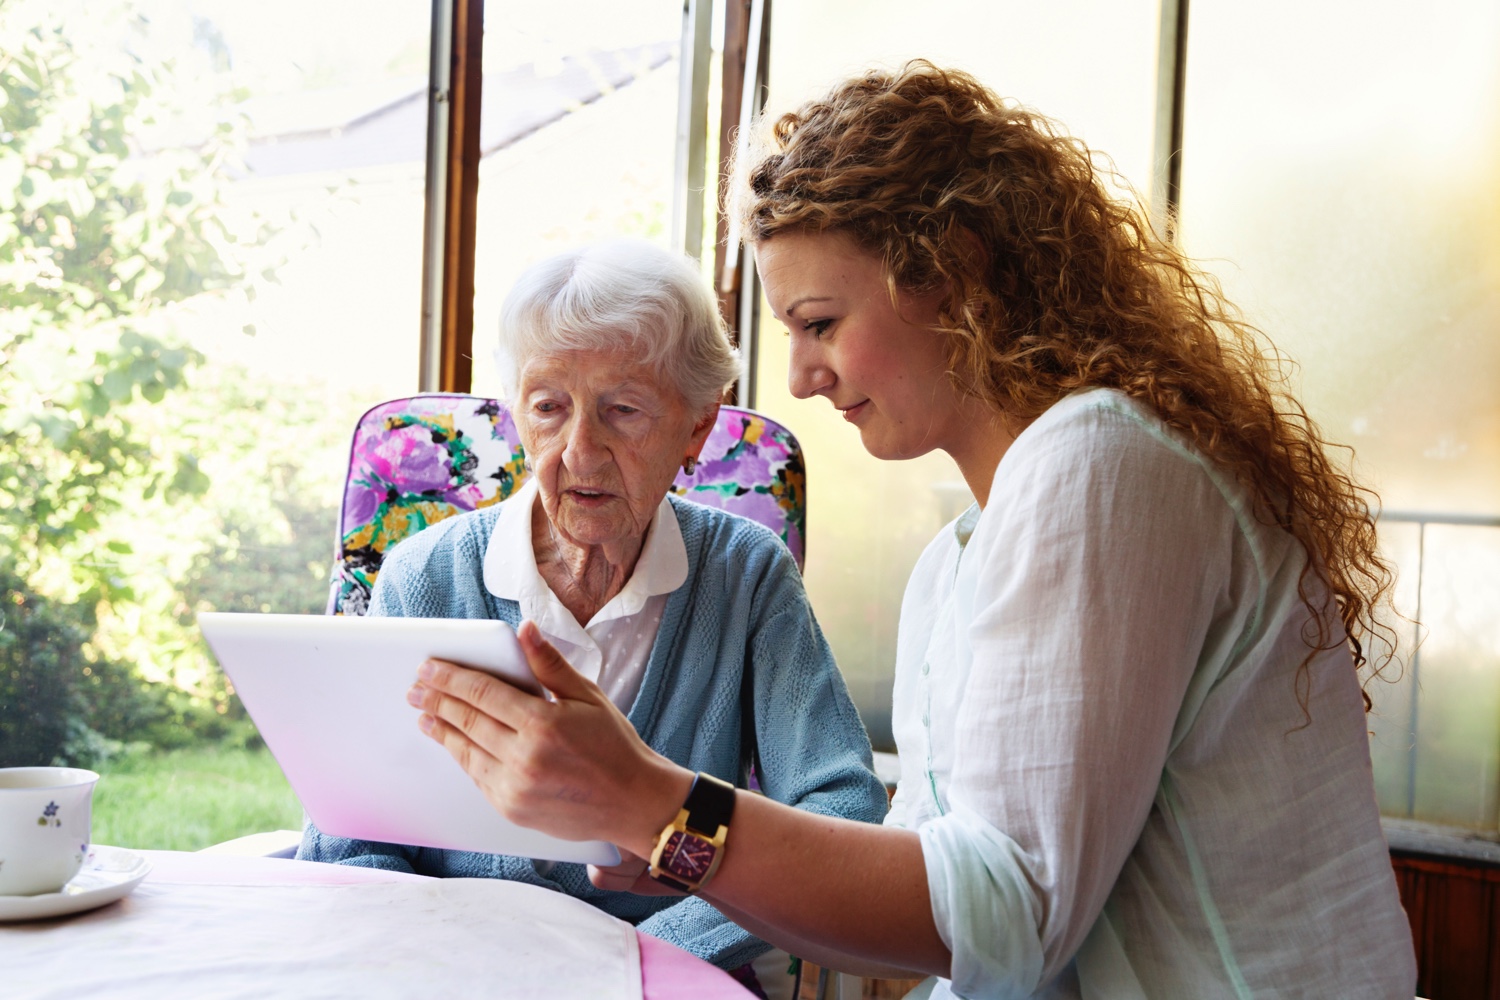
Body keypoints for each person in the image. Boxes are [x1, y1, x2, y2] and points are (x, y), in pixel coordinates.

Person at [403, 64, 1419, 998]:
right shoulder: (960, 561)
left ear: (955, 271)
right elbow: (914, 911)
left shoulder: (1102, 466)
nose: (798, 377)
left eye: (818, 322)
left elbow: (1009, 911)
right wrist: (668, 833)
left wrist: (657, 803)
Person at [297, 239, 889, 989]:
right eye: (549, 408)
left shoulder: (746, 575)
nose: (580, 452)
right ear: (518, 416)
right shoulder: (425, 575)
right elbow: (349, 831)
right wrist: (444, 960)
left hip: (663, 977)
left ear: (696, 431)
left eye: (624, 410)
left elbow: (842, 811)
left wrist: (648, 956)